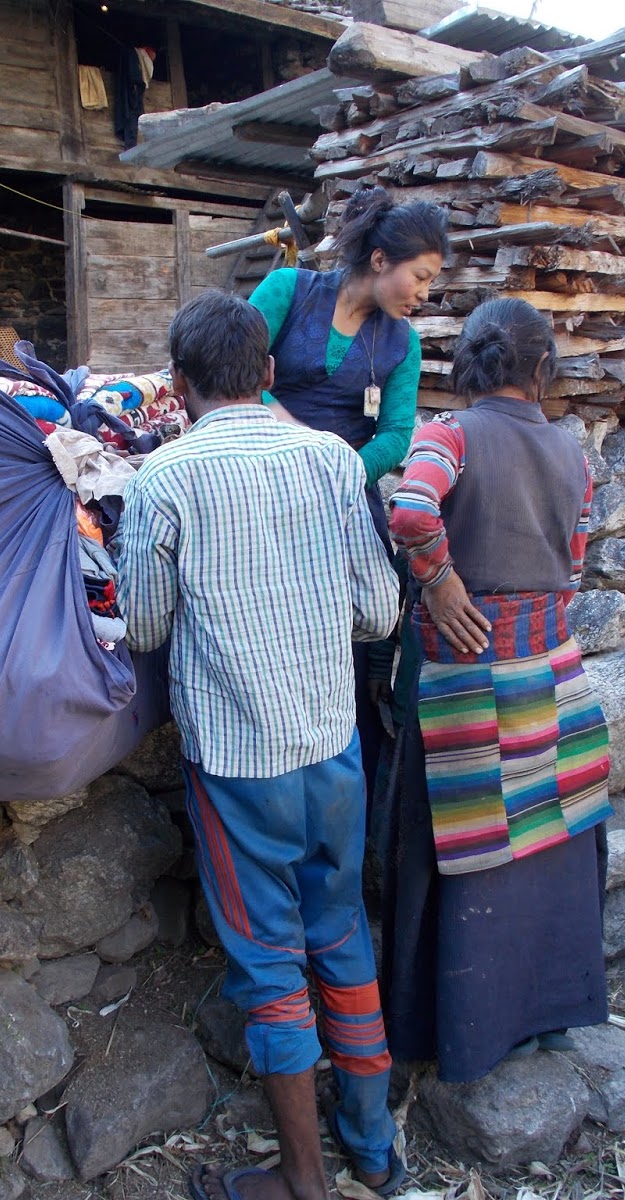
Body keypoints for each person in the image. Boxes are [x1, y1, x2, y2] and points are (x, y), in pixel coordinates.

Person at [116, 290, 403, 1200]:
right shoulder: (331, 460)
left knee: (271, 964)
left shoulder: (164, 478)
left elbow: (145, 626)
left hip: (239, 766)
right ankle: (374, 1151)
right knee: (342, 933)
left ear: (177, 385)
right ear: (270, 372)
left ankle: (303, 1179)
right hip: (331, 745)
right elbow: (379, 611)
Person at [380, 297, 614, 1083]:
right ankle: (546, 1017)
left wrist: (440, 579)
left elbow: (412, 508)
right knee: (549, 837)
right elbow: (574, 564)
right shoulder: (572, 452)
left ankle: (461, 1027)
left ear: (468, 364)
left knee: (461, 847)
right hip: (551, 675)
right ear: (543, 367)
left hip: (464, 678)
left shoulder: (449, 435)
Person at [247, 186, 448, 818]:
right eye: (421, 276)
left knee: (355, 637)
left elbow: (395, 433)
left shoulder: (402, 343)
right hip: (259, 479)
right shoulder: (288, 291)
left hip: (341, 501)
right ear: (381, 259)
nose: (424, 294)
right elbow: (233, 372)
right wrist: (289, 433)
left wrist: (338, 472)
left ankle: (345, 796)